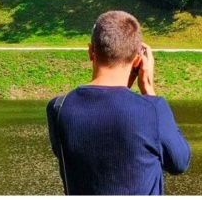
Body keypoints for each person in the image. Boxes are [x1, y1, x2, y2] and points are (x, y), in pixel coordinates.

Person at [46, 10, 191, 195]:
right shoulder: (152, 109)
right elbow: (179, 163)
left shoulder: (58, 108)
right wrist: (148, 89)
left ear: (91, 51)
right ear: (138, 59)